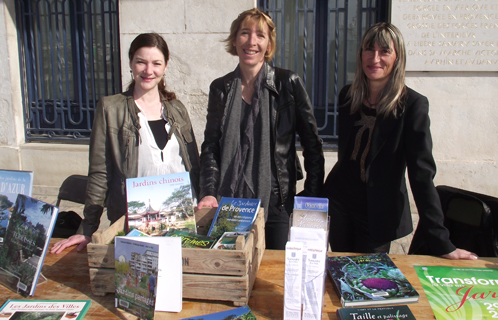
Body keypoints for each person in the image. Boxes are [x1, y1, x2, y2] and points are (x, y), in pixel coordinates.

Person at [321, 22, 477, 260]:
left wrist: (442, 242)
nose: (375, 58)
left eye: (384, 51)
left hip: (377, 215)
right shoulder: (348, 96)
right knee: (339, 270)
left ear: (397, 58)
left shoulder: (412, 106)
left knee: (366, 282)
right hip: (340, 205)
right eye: (369, 49)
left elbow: (421, 174)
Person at [51, 33, 200, 254]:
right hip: (133, 221)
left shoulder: (177, 109)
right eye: (141, 62)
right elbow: (100, 173)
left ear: (165, 66)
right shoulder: (111, 109)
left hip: (181, 218)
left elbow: (193, 164)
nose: (149, 71)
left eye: (156, 63)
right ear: (131, 63)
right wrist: (87, 228)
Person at [197, 8, 324, 250]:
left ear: (269, 44)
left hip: (277, 202)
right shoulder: (220, 88)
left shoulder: (288, 83)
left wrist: (311, 195)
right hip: (230, 203)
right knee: (233, 275)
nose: (251, 41)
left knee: (273, 273)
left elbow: (312, 143)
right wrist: (209, 192)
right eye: (245, 33)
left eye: (260, 35)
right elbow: (211, 146)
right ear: (235, 40)